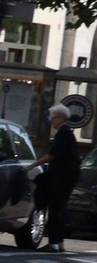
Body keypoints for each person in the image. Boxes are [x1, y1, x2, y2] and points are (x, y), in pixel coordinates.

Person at [35, 104, 83, 252]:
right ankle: (58, 242)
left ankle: (54, 242)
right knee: (59, 206)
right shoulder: (65, 132)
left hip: (64, 176)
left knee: (55, 206)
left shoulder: (64, 133)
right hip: (66, 174)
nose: (51, 121)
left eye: (53, 118)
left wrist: (32, 165)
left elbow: (51, 155)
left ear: (62, 118)